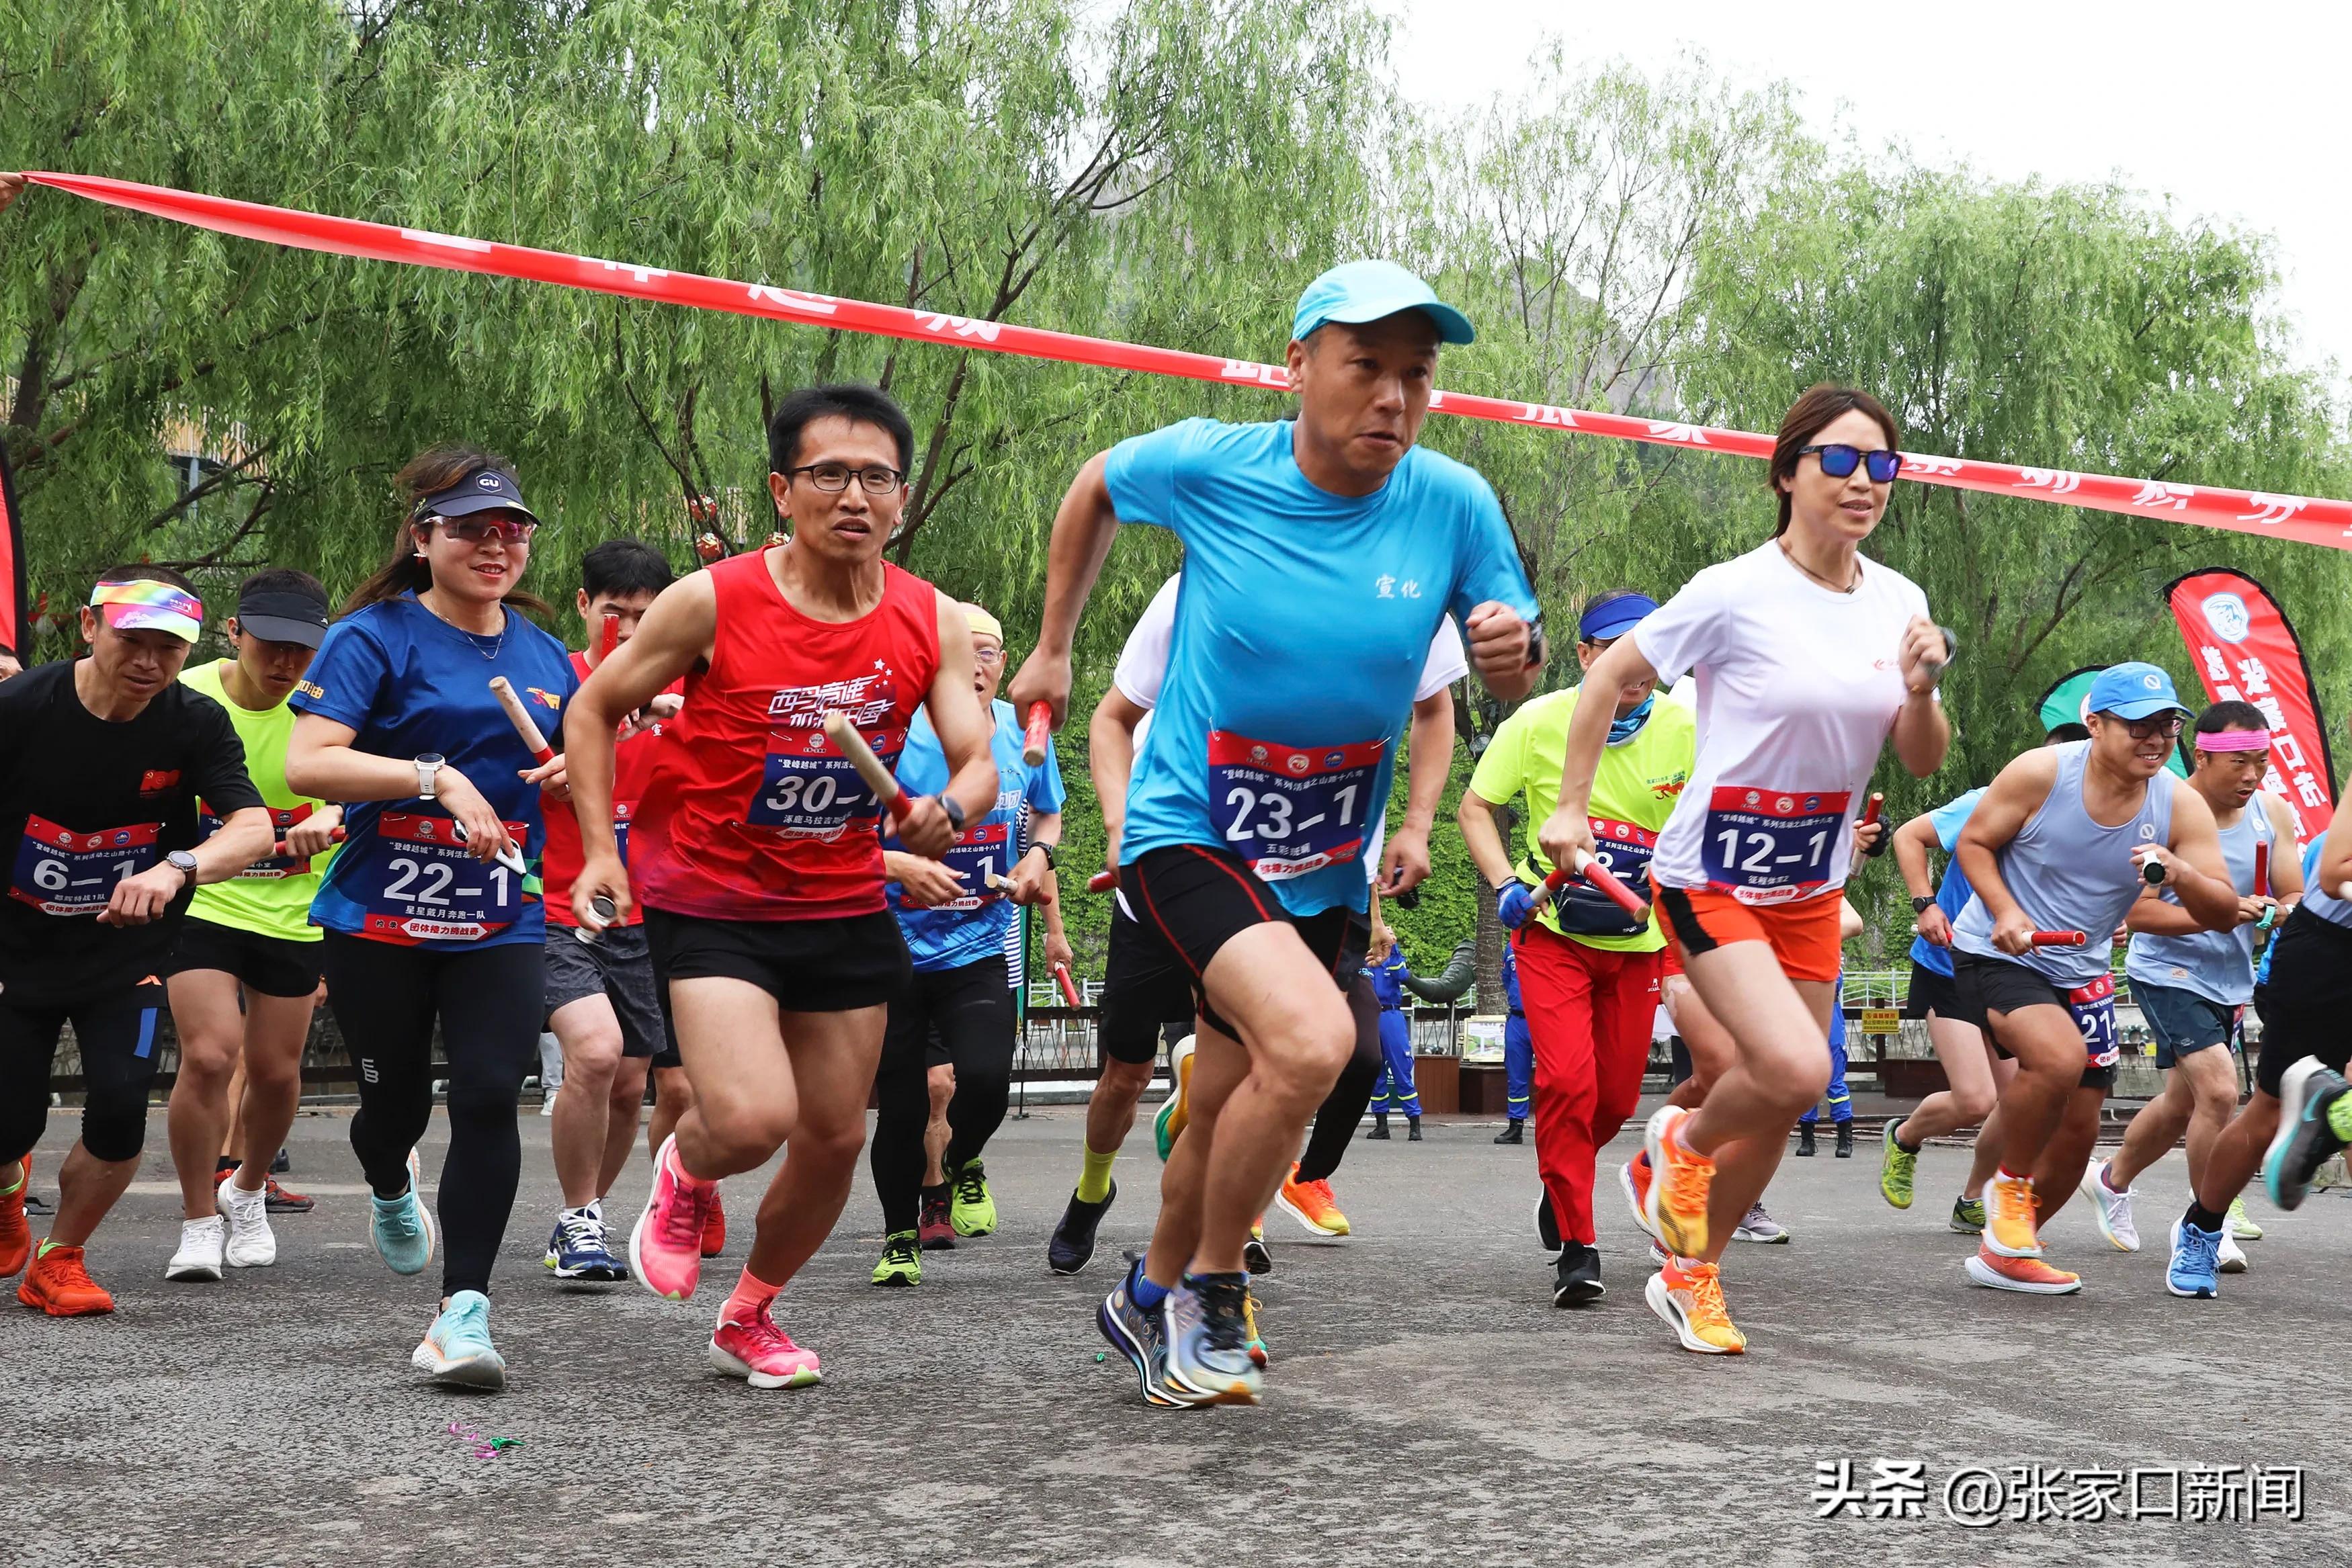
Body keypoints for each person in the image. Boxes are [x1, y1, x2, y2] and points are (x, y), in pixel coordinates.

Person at [1011, 260, 1540, 1406]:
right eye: (1368, 367)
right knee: (1316, 1045)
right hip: (1190, 826)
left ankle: (1144, 1297)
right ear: (1298, 367)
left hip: (1324, 855)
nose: (1395, 397)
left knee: (1240, 1090)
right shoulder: (1214, 464)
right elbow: (1096, 481)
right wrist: (1056, 641)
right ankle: (1212, 1284)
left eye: (1419, 373)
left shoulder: (1453, 500)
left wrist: (1513, 656)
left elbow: (1513, 648)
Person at [566, 384, 997, 1391]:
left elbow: (977, 755)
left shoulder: (926, 615)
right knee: (755, 1117)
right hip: (713, 893)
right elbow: (594, 708)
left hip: (841, 899)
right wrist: (598, 851)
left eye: (877, 477)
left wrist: (954, 807)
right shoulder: (715, 598)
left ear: (901, 495)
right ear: (783, 487)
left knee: (838, 1135)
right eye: (829, 474)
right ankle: (685, 1169)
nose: (855, 495)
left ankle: (750, 1313)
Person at [1539, 385, 1949, 1355]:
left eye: (1881, 465)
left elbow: (1921, 757)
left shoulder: (1900, 603)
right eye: (1838, 462)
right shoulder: (1735, 589)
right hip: (1710, 871)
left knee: (1789, 1093)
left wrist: (1924, 688)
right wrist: (1567, 807)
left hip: (1807, 882)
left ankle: (1692, 1273)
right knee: (1794, 1063)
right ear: (1787, 471)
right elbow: (1607, 678)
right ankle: (1679, 1143)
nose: (1863, 483)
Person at [1046, 570, 1468, 1280]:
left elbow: (1434, 708)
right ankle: (1103, 1196)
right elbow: (1111, 715)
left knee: (1283, 1066)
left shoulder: (1409, 575)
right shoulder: (1204, 580)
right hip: (1182, 861)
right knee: (1130, 1074)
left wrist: (1416, 827)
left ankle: (1192, 1276)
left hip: (1316, 879)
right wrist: (1054, 650)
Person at [285, 447, 577, 1387]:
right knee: (396, 1105)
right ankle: (384, 1180)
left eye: (513, 530)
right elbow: (310, 764)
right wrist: (432, 775)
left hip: (500, 912)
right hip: (381, 912)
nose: (497, 546)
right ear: (424, 540)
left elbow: (579, 768)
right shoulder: (372, 637)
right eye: (472, 529)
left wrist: (578, 771)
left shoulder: (544, 655)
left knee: (493, 1092)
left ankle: (463, 1312)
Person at [0, 568, 274, 1314]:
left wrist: (177, 865)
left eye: (170, 648)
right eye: (134, 641)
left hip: (126, 958)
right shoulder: (20, 707)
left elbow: (252, 827)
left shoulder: (191, 723)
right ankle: (8, 1181)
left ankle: (58, 1260)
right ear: (90, 628)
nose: (151, 662)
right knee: (10, 1119)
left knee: (120, 1110)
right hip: (14, 952)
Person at [1945, 663, 2235, 1295]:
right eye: (2138, 725)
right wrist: (2006, 910)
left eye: (2167, 724)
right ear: (2095, 724)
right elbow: (1972, 843)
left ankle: (2007, 1254)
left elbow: (2220, 910)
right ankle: (2008, 1195)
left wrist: (2178, 874)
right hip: (2001, 952)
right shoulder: (2041, 773)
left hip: (2082, 967)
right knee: (2057, 1058)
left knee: (2079, 1131)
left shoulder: (2178, 801)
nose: (2155, 739)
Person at [1460, 588, 1694, 1305]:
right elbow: (1477, 806)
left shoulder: (1689, 726)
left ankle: (1567, 1178)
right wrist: (1502, 879)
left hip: (1638, 941)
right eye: (1616, 657)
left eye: (1648, 658)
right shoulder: (1535, 722)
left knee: (1616, 1096)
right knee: (1566, 1083)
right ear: (1586, 655)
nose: (1634, 674)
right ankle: (1576, 1242)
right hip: (1550, 933)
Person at [868, 601, 1066, 1287]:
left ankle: (954, 1166)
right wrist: (899, 866)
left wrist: (1038, 859)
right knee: (901, 1106)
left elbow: (1045, 811)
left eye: (990, 651)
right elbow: (841, 834)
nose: (977, 663)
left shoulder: (1022, 733)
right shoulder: (894, 736)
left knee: (982, 1082)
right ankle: (900, 1235)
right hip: (892, 949)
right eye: (963, 649)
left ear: (1003, 665)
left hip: (979, 944)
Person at [162, 570, 339, 1282]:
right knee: (209, 1056)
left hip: (294, 909)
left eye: (302, 649)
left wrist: (338, 813)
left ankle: (247, 1188)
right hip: (203, 900)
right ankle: (198, 1219)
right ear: (234, 634)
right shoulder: (188, 697)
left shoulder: (328, 705)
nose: (286, 663)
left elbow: (367, 784)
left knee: (275, 1072)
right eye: (270, 645)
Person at [2078, 702, 2298, 1264]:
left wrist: (2273, 911)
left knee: (2182, 1103)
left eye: (2262, 762)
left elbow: (2292, 894)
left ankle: (2111, 1177)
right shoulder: (2165, 808)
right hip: (2166, 971)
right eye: (2240, 764)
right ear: (2200, 756)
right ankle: (2206, 1223)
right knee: (2222, 1091)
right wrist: (2223, 912)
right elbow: (2140, 917)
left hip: (2229, 978)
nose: (2253, 776)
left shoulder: (2272, 814)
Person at [536, 538, 683, 1283]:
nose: (627, 631)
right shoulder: (550, 683)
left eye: (644, 616)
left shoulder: (682, 696)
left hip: (645, 912)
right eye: (614, 612)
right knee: (592, 1052)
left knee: (631, 1083)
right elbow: (494, 781)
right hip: (556, 906)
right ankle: (574, 1215)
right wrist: (546, 777)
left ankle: (586, 1216)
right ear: (584, 607)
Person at [1878, 724, 2089, 1231]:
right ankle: (1905, 1138)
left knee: (2023, 1099)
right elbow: (1909, 836)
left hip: (2011, 971)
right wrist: (1925, 904)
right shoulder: (1989, 801)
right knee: (1975, 1099)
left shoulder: (2088, 825)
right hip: (1947, 965)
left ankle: (1974, 1197)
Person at [2161, 755, 2352, 1297]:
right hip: (2328, 956)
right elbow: (2337, 872)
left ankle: (2327, 1116)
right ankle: (2200, 1229)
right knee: (2265, 1113)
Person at [1361, 929, 1421, 1140]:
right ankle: (1381, 1126)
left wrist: (1391, 948)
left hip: (1391, 1015)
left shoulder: (1394, 958)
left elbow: (1402, 974)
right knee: (1374, 1071)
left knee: (1401, 1070)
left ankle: (1414, 1124)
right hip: (1369, 1016)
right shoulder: (1364, 959)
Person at [1494, 939, 1531, 1143]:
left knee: (1553, 1078)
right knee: (1516, 1076)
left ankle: (1555, 1128)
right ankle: (1515, 1126)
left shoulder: (1547, 940)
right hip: (1517, 1020)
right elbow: (1507, 978)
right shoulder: (1510, 946)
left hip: (1542, 1019)